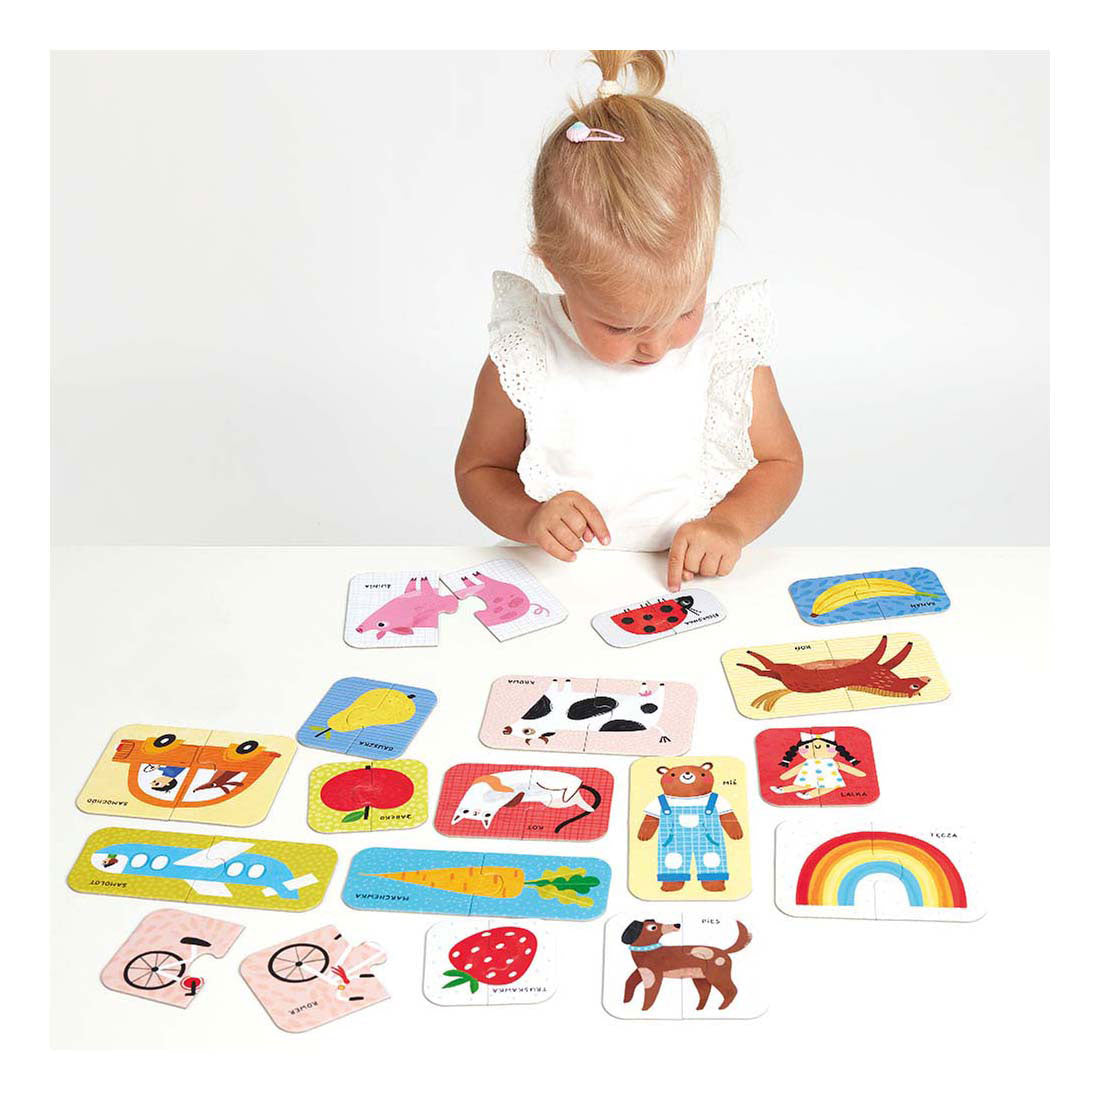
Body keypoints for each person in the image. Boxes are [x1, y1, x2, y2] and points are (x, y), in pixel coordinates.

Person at [455, 51, 802, 590]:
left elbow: (780, 463)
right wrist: (530, 518)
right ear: (556, 270)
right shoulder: (528, 353)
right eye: (622, 328)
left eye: (684, 311)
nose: (657, 346)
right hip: (559, 583)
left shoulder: (726, 353)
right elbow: (479, 471)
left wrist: (730, 526)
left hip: (688, 588)